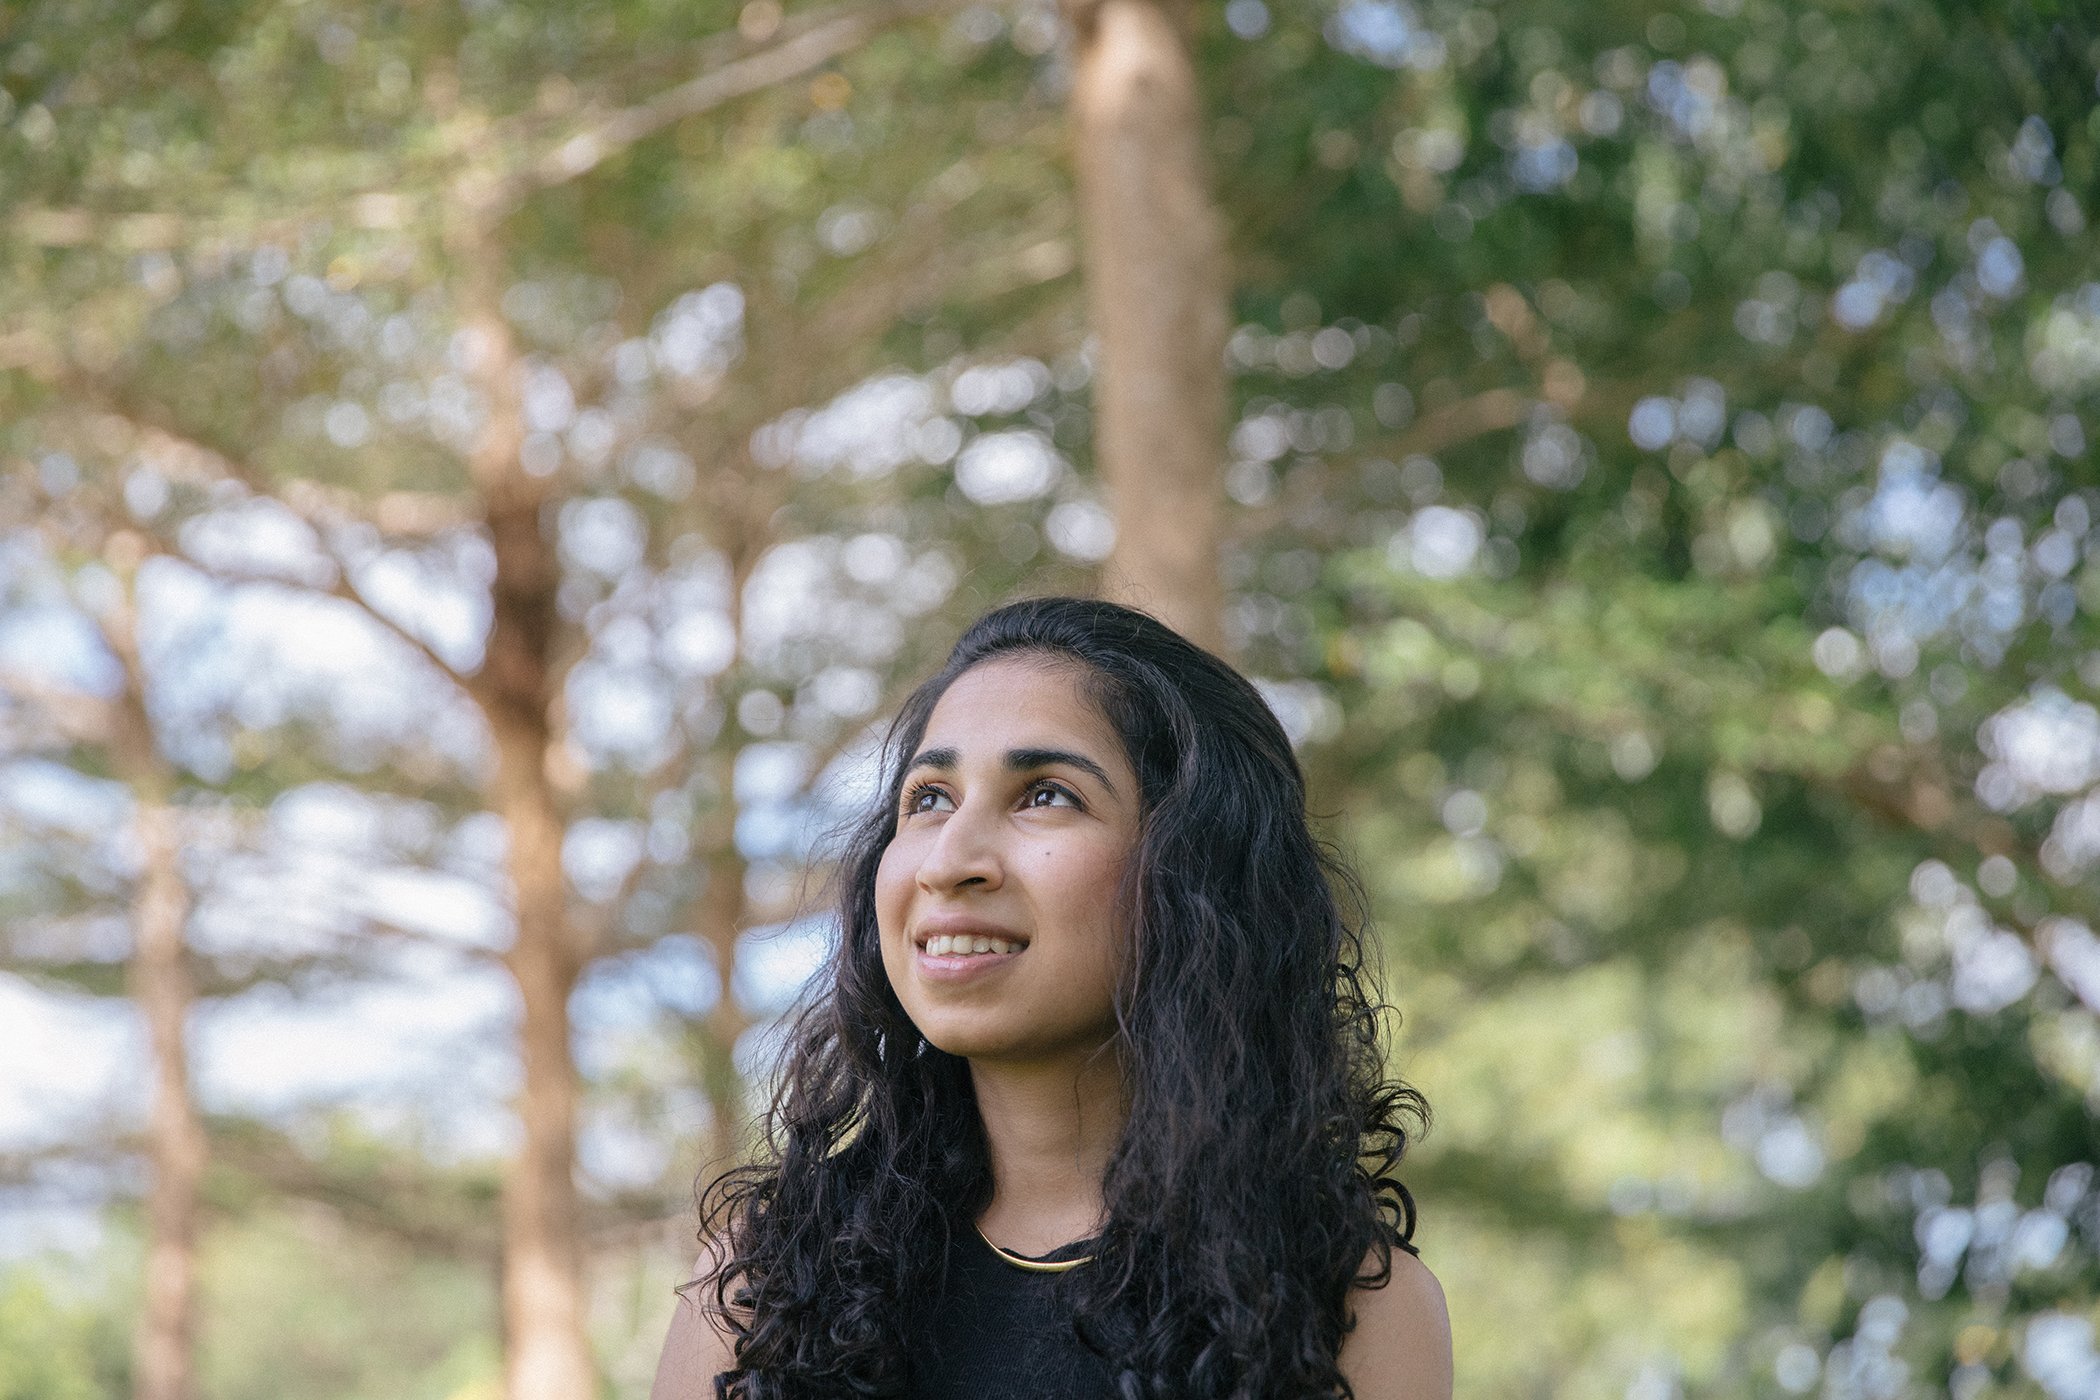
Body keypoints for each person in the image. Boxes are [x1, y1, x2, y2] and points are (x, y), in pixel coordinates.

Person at [652, 596, 1451, 1400]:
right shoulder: (763, 1287)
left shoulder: (1348, 1308)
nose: (949, 861)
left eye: (1045, 794)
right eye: (929, 798)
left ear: (1195, 873)